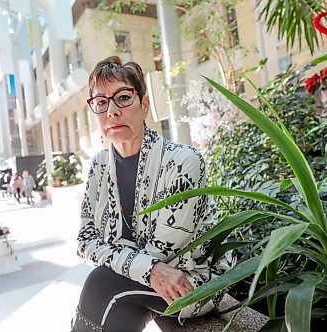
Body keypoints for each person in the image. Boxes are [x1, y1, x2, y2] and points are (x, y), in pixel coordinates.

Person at [72, 56, 227, 332]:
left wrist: (117, 253)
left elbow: (164, 254)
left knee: (100, 282)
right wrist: (150, 269)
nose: (112, 111)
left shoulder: (183, 162)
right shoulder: (98, 165)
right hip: (144, 284)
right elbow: (84, 241)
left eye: (123, 98)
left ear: (144, 105)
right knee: (118, 313)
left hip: (190, 282)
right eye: (101, 102)